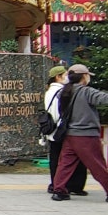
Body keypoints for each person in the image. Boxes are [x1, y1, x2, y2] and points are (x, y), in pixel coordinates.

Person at [51, 64, 108, 202]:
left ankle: (59, 191)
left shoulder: (64, 92)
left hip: (70, 134)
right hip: (86, 135)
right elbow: (104, 99)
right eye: (88, 75)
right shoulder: (86, 91)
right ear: (83, 76)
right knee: (97, 164)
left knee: (65, 164)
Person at [44, 65, 87, 195]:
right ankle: (71, 185)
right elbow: (61, 112)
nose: (68, 78)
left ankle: (55, 184)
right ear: (58, 77)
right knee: (67, 159)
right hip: (61, 130)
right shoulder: (62, 91)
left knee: (55, 158)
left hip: (52, 130)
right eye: (65, 75)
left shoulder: (49, 91)